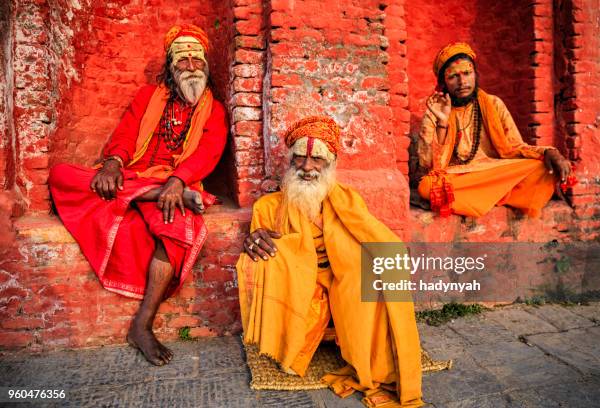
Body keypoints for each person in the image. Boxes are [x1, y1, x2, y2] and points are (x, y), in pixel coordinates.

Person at [48, 24, 227, 366]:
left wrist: (178, 181)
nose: (191, 66)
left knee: (175, 231)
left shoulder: (214, 110)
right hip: (136, 178)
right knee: (62, 174)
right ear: (171, 67)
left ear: (205, 65)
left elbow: (209, 151)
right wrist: (113, 164)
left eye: (197, 59)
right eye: (183, 59)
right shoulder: (148, 96)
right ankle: (151, 193)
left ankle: (141, 326)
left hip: (177, 184)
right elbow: (126, 134)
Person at [236, 116, 423, 408]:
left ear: (331, 163)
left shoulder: (348, 200)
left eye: (317, 160)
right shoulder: (268, 207)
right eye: (300, 158)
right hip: (300, 286)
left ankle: (371, 358)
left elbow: (374, 238)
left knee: (374, 273)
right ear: (290, 161)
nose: (307, 167)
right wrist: (254, 243)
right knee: (266, 261)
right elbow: (264, 254)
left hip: (340, 278)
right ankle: (288, 343)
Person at [417, 42, 573, 217]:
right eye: (453, 76)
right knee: (427, 186)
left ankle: (481, 198)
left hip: (494, 172)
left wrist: (547, 152)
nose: (462, 82)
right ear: (443, 83)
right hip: (460, 177)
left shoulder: (493, 104)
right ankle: (498, 195)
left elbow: (515, 147)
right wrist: (442, 123)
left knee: (542, 168)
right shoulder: (435, 111)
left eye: (467, 73)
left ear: (475, 74)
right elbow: (428, 165)